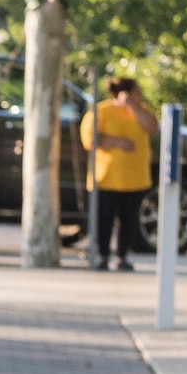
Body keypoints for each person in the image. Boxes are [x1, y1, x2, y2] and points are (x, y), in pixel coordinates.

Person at [79, 76, 157, 270]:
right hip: (105, 177)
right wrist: (116, 142)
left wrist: (133, 107)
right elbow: (90, 140)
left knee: (129, 219)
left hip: (135, 178)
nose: (141, 96)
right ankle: (103, 255)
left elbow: (153, 127)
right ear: (124, 93)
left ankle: (122, 256)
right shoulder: (102, 111)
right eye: (137, 92)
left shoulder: (142, 112)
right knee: (104, 218)